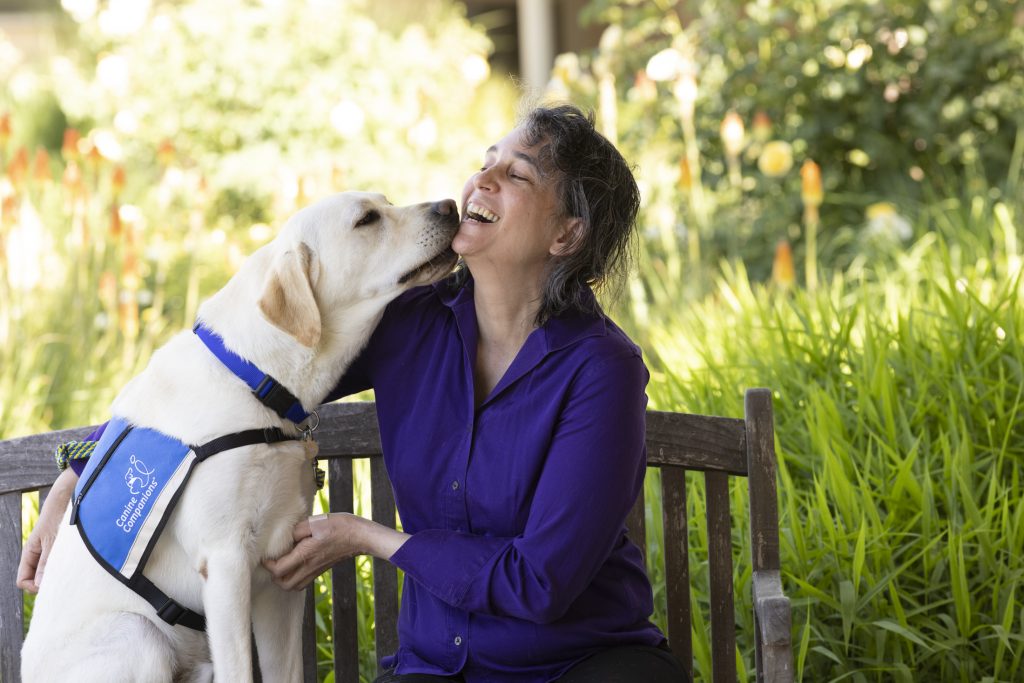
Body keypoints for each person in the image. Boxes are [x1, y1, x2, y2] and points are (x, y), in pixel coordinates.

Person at [19, 103, 688, 683]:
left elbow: (538, 583)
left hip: (582, 661)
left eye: (517, 175)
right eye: (488, 159)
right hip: (437, 664)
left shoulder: (601, 371)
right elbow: (228, 380)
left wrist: (370, 537)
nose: (481, 178)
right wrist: (82, 471)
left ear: (566, 234)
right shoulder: (408, 326)